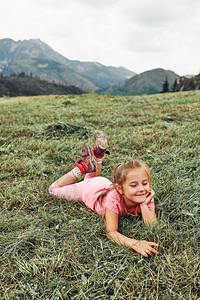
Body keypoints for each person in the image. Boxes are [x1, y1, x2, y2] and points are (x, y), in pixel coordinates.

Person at [49, 130, 159, 257]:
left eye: (145, 183)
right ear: (120, 189)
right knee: (53, 189)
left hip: (102, 183)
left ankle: (98, 156)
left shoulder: (145, 195)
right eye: (134, 185)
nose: (141, 189)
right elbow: (111, 232)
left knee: (91, 177)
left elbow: (152, 226)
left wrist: (145, 205)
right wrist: (136, 244)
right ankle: (79, 169)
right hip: (88, 189)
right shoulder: (114, 198)